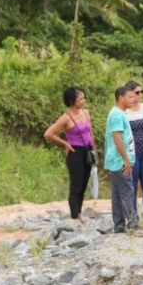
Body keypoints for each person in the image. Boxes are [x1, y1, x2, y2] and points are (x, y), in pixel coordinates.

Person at [44, 86, 95, 220]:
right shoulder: (66, 117)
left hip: (87, 150)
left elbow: (90, 132)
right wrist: (65, 143)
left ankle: (79, 212)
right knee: (76, 185)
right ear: (73, 101)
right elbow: (48, 133)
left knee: (84, 184)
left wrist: (93, 150)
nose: (84, 101)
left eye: (84, 98)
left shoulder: (86, 113)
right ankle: (74, 216)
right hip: (75, 152)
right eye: (81, 98)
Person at [105, 85, 143, 235]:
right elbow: (117, 137)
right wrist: (126, 159)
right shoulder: (116, 114)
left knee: (117, 193)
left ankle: (119, 226)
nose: (133, 99)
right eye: (130, 96)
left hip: (117, 160)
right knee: (127, 191)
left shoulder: (119, 113)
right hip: (120, 160)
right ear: (121, 98)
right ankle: (133, 225)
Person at [125, 80, 143, 225]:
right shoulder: (125, 112)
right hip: (132, 153)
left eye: (142, 92)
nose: (140, 95)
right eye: (137, 92)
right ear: (130, 93)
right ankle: (133, 218)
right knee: (133, 187)